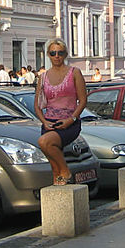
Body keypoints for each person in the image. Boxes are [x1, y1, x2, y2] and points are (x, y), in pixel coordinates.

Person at [34, 38, 86, 185]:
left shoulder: (74, 73)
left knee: (44, 142)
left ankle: (65, 171)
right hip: (49, 122)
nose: (56, 56)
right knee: (52, 163)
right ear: (48, 55)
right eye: (53, 53)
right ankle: (59, 186)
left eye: (60, 52)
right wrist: (44, 122)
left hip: (70, 122)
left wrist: (72, 119)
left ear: (65, 54)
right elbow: (37, 105)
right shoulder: (43, 76)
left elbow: (82, 101)